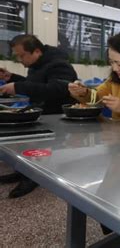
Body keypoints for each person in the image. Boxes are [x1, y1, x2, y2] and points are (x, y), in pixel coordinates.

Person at [0, 34, 78, 198]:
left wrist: (18, 86)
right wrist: (12, 78)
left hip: (57, 117)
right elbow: (38, 83)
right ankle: (22, 171)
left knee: (41, 150)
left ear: (36, 51)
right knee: (27, 145)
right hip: (41, 113)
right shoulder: (36, 65)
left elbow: (57, 89)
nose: (19, 60)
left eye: (22, 55)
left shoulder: (60, 65)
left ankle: (33, 178)